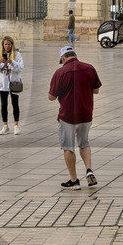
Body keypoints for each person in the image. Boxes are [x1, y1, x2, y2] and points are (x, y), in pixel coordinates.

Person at [47, 44, 101, 188]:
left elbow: (51, 97)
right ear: (75, 55)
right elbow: (96, 90)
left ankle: (74, 180)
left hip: (67, 116)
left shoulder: (60, 72)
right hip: (86, 114)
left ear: (63, 58)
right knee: (84, 143)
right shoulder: (90, 68)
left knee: (68, 147)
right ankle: (89, 170)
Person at [0, 35, 24, 135]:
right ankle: (5, 125)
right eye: (5, 44)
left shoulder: (17, 55)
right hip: (3, 84)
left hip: (14, 83)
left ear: (12, 45)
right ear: (3, 45)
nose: (7, 46)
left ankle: (16, 125)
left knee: (15, 104)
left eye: (9, 44)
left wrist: (12, 62)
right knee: (3, 105)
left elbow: (20, 68)